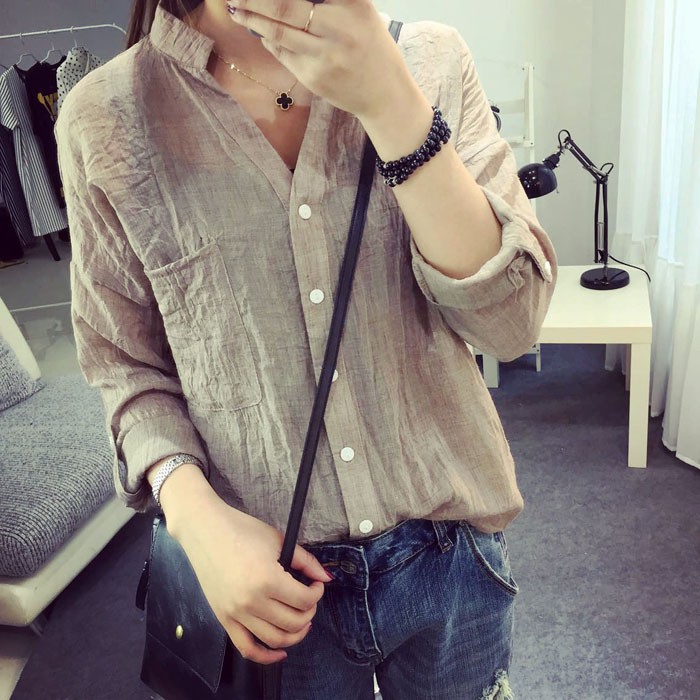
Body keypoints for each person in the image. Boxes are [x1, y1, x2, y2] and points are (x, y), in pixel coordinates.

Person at [54, 0, 557, 697]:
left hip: (452, 557)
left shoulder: (429, 61)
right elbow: (125, 368)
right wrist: (198, 522)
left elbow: (511, 326)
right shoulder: (106, 117)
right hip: (269, 587)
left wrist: (391, 103)